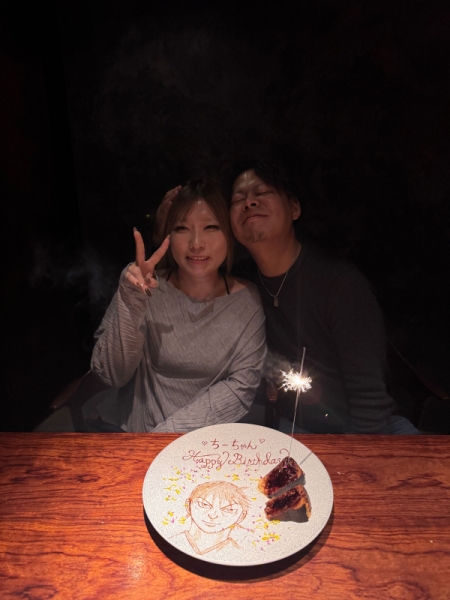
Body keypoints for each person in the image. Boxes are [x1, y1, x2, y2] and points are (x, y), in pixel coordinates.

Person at [226, 158, 418, 434]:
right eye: (238, 199)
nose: (249, 202)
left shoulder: (339, 283)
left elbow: (370, 401)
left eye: (263, 192)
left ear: (294, 208)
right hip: (297, 428)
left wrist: (352, 456)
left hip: (368, 429)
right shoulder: (243, 287)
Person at [90, 180, 266, 432]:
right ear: (169, 236)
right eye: (182, 228)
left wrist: (166, 436)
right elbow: (111, 374)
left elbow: (241, 387)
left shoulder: (247, 299)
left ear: (228, 234)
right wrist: (131, 300)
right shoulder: (143, 285)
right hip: (133, 434)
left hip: (198, 441)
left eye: (211, 227)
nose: (196, 243)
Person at [172, 481, 252, 555]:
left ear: (241, 516)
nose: (213, 515)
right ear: (188, 506)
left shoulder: (238, 553)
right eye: (204, 504)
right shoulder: (173, 542)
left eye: (229, 509)